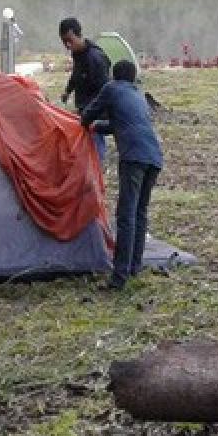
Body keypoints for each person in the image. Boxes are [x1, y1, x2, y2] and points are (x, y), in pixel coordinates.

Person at [81, 60, 163, 291]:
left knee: (126, 216)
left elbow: (87, 115)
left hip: (134, 158)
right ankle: (134, 267)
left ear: (114, 77)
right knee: (140, 213)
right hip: (154, 157)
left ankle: (119, 278)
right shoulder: (136, 94)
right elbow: (122, 124)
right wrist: (99, 127)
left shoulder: (111, 88)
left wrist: (86, 122)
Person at [59, 18, 111, 161]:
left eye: (70, 40)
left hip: (95, 115)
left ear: (78, 35)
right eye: (64, 42)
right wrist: (68, 90)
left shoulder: (95, 58)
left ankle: (97, 176)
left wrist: (91, 114)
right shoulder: (78, 54)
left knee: (95, 151)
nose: (68, 45)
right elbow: (76, 74)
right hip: (84, 110)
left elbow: (104, 92)